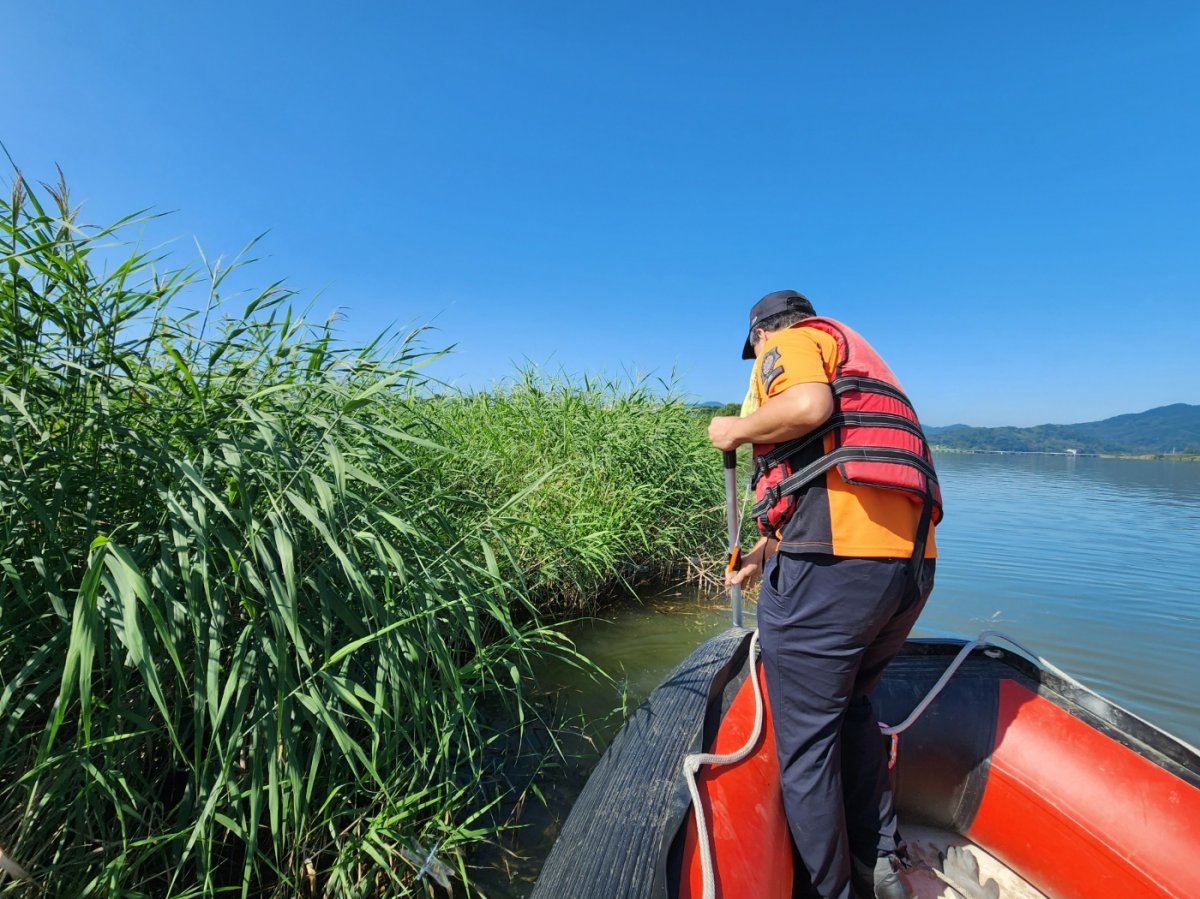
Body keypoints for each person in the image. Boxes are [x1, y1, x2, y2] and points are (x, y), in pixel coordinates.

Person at [708, 290, 942, 899]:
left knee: (807, 744)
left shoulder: (787, 343)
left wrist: (732, 428)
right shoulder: (856, 356)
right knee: (855, 709)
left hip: (837, 573)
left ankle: (832, 892)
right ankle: (883, 864)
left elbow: (810, 407)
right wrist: (767, 550)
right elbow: (844, 484)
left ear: (761, 335)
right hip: (907, 571)